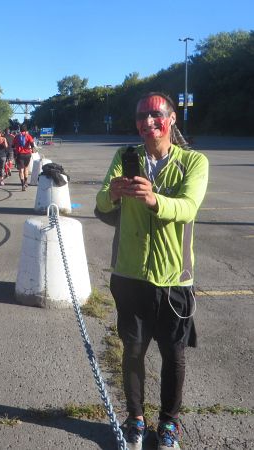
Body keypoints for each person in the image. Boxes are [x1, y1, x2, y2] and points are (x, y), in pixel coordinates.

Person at [95, 92, 209, 450]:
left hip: (174, 278)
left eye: (155, 115)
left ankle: (170, 423)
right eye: (141, 116)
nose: (147, 122)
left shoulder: (193, 162)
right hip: (129, 275)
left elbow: (189, 207)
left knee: (173, 356)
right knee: (132, 352)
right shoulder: (124, 157)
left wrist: (154, 199)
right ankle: (135, 418)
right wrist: (112, 193)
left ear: (171, 119)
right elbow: (99, 203)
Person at [12, 124, 35, 191]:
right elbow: (32, 144)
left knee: (21, 170)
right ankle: (25, 182)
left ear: (20, 130)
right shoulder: (28, 136)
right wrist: (32, 149)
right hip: (27, 154)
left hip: (20, 155)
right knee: (26, 168)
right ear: (26, 130)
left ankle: (22, 185)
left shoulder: (16, 137)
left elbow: (13, 146)